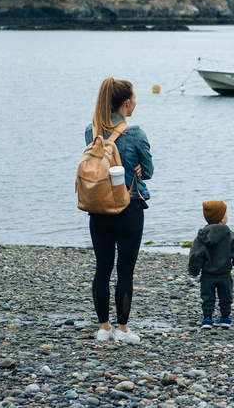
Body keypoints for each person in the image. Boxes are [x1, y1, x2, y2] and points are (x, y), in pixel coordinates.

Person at [85, 77, 153, 343]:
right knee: (125, 270)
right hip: (129, 208)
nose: (135, 102)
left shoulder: (91, 132)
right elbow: (147, 171)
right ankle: (122, 330)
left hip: (98, 208)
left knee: (102, 269)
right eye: (134, 98)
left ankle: (103, 328)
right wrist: (135, 168)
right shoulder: (136, 134)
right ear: (127, 102)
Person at [188, 200, 234, 329]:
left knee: (207, 297)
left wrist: (194, 270)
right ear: (221, 217)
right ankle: (225, 318)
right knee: (226, 297)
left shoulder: (202, 237)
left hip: (207, 275)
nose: (227, 215)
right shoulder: (231, 236)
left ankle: (207, 319)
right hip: (225, 275)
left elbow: (195, 255)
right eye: (225, 213)